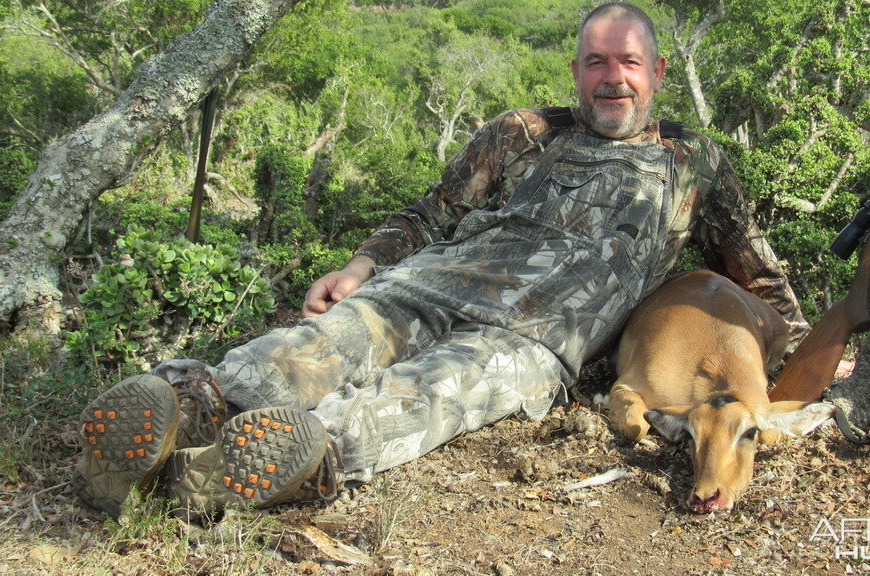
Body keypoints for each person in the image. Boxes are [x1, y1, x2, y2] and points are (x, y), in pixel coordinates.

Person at [75, 2, 809, 519]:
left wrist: (806, 355)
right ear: (577, 70)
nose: (612, 77)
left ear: (654, 72)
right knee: (315, 347)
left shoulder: (694, 163)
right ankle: (180, 408)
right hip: (427, 285)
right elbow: (431, 215)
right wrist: (359, 269)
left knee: (429, 396)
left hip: (529, 340)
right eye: (596, 62)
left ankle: (256, 467)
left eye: (628, 62)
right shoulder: (519, 132)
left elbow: (759, 282)